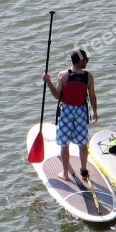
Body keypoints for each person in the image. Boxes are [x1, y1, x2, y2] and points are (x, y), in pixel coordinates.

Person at [43, 49, 98, 181]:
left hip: (66, 110)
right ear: (80, 61)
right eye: (86, 60)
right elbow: (92, 96)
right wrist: (95, 111)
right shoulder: (88, 76)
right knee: (83, 142)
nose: (87, 62)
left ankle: (65, 173)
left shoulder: (63, 75)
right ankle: (84, 172)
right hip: (81, 110)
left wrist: (48, 81)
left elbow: (57, 95)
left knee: (64, 143)